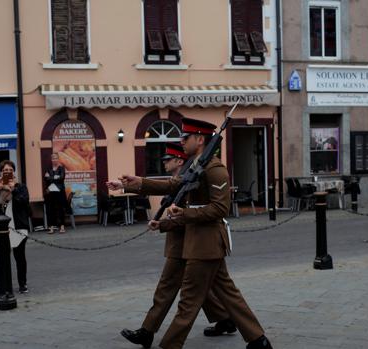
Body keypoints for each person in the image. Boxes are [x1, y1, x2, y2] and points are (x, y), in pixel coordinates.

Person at [116, 118, 273, 349]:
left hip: (206, 243)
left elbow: (221, 209)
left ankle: (171, 344)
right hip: (198, 243)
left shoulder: (215, 169)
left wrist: (184, 214)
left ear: (200, 139)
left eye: (186, 137)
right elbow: (172, 186)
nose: (181, 141)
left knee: (189, 301)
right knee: (228, 294)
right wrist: (136, 183)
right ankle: (258, 339)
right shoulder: (194, 165)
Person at [109, 143, 235, 348]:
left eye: (168, 159)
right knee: (202, 285)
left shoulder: (198, 171)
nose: (165, 163)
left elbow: (197, 205)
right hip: (183, 237)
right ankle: (226, 319)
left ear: (179, 160)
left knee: (184, 287)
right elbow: (165, 185)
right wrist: (125, 186)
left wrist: (165, 224)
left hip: (192, 236)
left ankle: (151, 333)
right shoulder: (189, 172)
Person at [0, 160, 30, 293]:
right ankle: (6, 285)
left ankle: (23, 284)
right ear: (1, 172)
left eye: (10, 170)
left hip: (18, 226)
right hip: (1, 228)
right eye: (5, 171)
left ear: (13, 172)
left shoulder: (20, 187)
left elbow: (24, 201)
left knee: (20, 257)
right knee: (4, 258)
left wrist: (13, 188)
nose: (7, 173)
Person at [44, 153, 67, 234]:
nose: (54, 160)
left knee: (61, 209)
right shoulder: (48, 169)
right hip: (50, 192)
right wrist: (55, 177)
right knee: (51, 209)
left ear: (58, 159)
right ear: (51, 159)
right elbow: (46, 179)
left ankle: (62, 226)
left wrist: (51, 178)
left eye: (56, 158)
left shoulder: (62, 169)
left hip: (60, 192)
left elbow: (61, 178)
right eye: (53, 158)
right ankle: (51, 227)